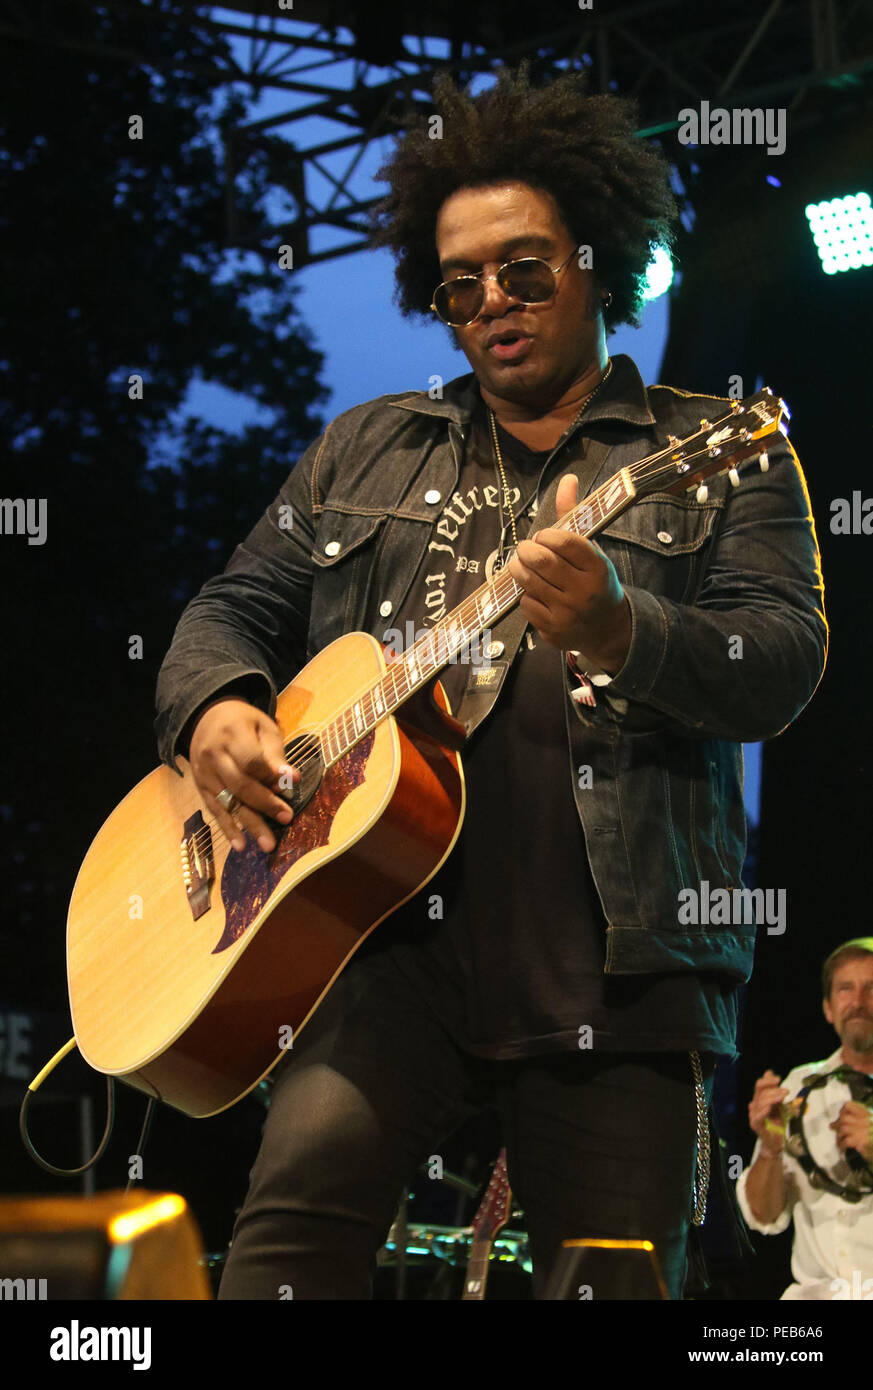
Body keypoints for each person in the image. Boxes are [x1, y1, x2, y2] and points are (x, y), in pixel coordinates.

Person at [154, 66, 827, 1299]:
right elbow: (228, 608)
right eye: (460, 285)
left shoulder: (718, 455)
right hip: (374, 938)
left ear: (598, 258)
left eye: (525, 269)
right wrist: (209, 706)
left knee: (608, 1284)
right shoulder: (363, 447)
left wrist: (625, 628)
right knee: (281, 1256)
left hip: (617, 966)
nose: (493, 304)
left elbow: (779, 663)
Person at [736, 939, 873, 1300]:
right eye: (846, 989)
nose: (858, 1002)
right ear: (828, 1008)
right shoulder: (798, 1086)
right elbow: (764, 1216)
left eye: (872, 987)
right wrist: (769, 1148)